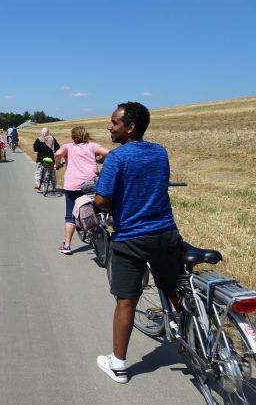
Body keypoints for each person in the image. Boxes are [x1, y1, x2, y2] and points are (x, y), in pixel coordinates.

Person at [94, 102, 182, 384]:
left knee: (126, 301)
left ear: (130, 127)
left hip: (131, 238)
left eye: (114, 122)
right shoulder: (160, 152)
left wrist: (107, 200)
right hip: (165, 232)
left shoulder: (117, 158)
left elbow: (102, 199)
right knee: (172, 286)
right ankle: (192, 332)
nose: (109, 127)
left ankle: (118, 365)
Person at [54, 126, 109, 254]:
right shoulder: (92, 146)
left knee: (70, 215)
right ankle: (99, 230)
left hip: (73, 185)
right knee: (96, 207)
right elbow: (108, 152)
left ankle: (67, 245)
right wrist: (100, 160)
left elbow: (58, 153)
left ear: (73, 136)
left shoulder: (68, 147)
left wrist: (58, 164)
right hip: (91, 183)